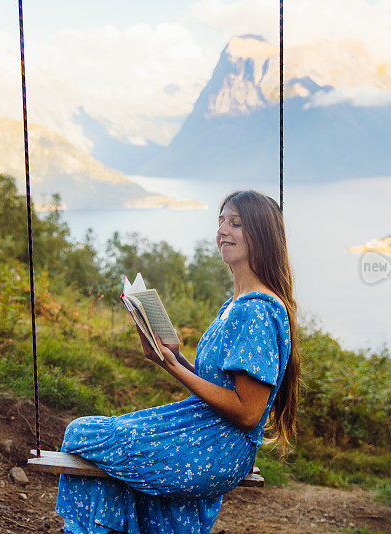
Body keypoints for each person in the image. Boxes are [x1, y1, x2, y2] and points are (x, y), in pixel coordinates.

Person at [54, 190, 301, 533]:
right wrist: (168, 357)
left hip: (218, 445)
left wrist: (175, 368)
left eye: (236, 223)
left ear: (262, 234)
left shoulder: (257, 310)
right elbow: (220, 387)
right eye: (221, 222)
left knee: (85, 434)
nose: (223, 231)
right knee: (91, 435)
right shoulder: (236, 304)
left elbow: (248, 413)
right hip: (204, 432)